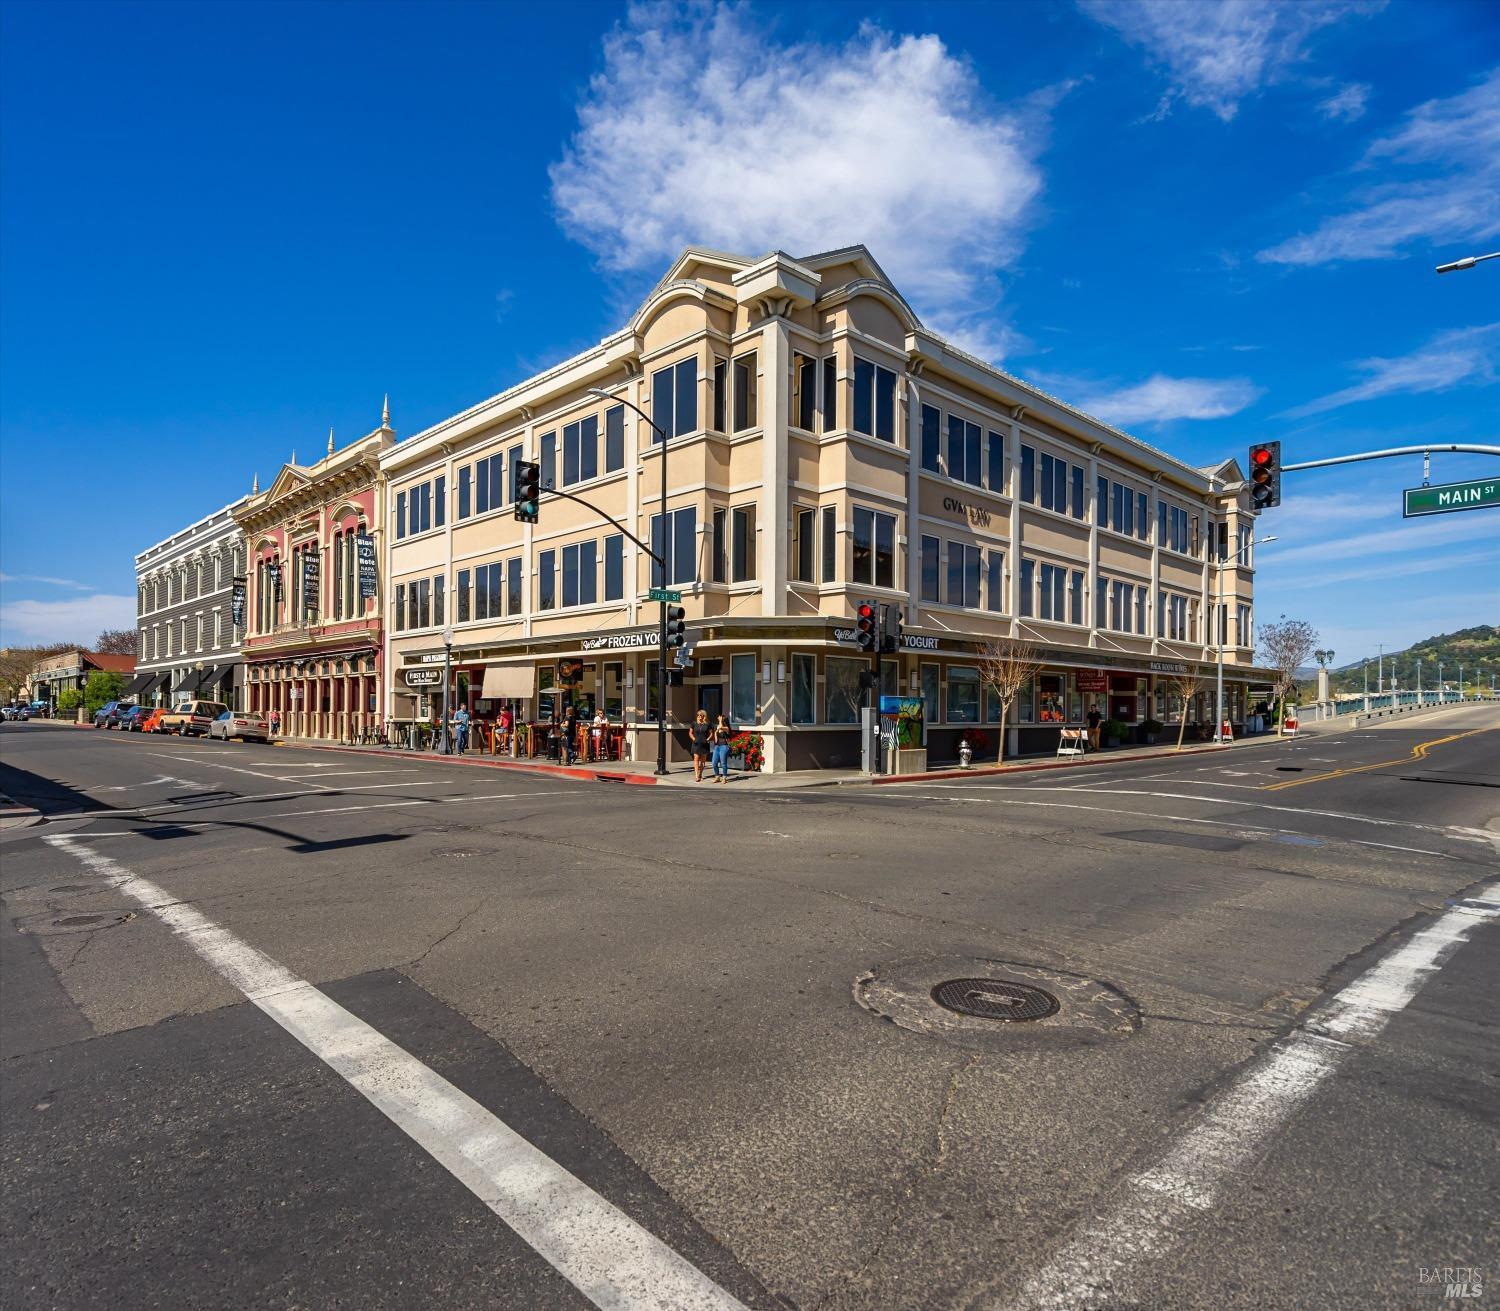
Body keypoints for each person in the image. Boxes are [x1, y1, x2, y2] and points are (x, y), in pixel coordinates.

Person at [710, 713, 734, 783]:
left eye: (720, 718)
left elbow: (721, 727)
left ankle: (724, 777)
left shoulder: (726, 728)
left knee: (723, 763)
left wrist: (720, 721)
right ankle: (717, 776)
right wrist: (715, 734)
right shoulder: (717, 727)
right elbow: (716, 737)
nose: (719, 719)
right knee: (714, 763)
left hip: (724, 746)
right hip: (717, 747)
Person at [690, 708, 712, 781]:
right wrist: (693, 739)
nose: (699, 716)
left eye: (700, 715)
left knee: (703, 760)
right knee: (696, 759)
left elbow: (711, 733)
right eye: (698, 715)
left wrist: (708, 739)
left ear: (704, 716)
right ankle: (696, 775)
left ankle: (700, 774)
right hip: (696, 743)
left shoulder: (708, 724)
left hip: (704, 744)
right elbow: (690, 733)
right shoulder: (694, 723)